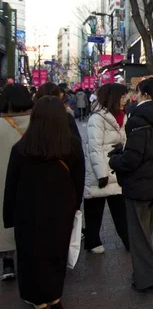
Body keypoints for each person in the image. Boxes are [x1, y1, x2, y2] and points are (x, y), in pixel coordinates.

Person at [3, 96, 85, 309]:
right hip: (62, 211)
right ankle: (54, 296)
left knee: (30, 256)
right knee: (56, 253)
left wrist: (8, 216)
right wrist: (75, 207)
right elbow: (79, 179)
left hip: (26, 212)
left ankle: (36, 299)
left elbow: (11, 185)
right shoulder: (72, 146)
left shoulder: (22, 148)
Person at [109, 77, 153, 293]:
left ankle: (146, 280)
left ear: (145, 94)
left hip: (140, 187)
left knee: (139, 237)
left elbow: (132, 159)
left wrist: (115, 159)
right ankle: (144, 275)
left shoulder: (138, 119)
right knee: (145, 234)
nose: (133, 96)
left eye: (136, 92)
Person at [84, 83, 130, 254]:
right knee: (95, 208)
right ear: (113, 97)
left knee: (120, 209)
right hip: (100, 170)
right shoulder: (97, 118)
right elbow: (94, 148)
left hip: (116, 168)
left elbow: (124, 141)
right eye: (122, 96)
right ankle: (92, 241)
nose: (125, 99)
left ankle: (128, 240)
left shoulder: (122, 116)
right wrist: (102, 174)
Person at [0, 85, 33, 281]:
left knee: (5, 218)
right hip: (32, 179)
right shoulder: (39, 121)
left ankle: (7, 263)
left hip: (4, 179)